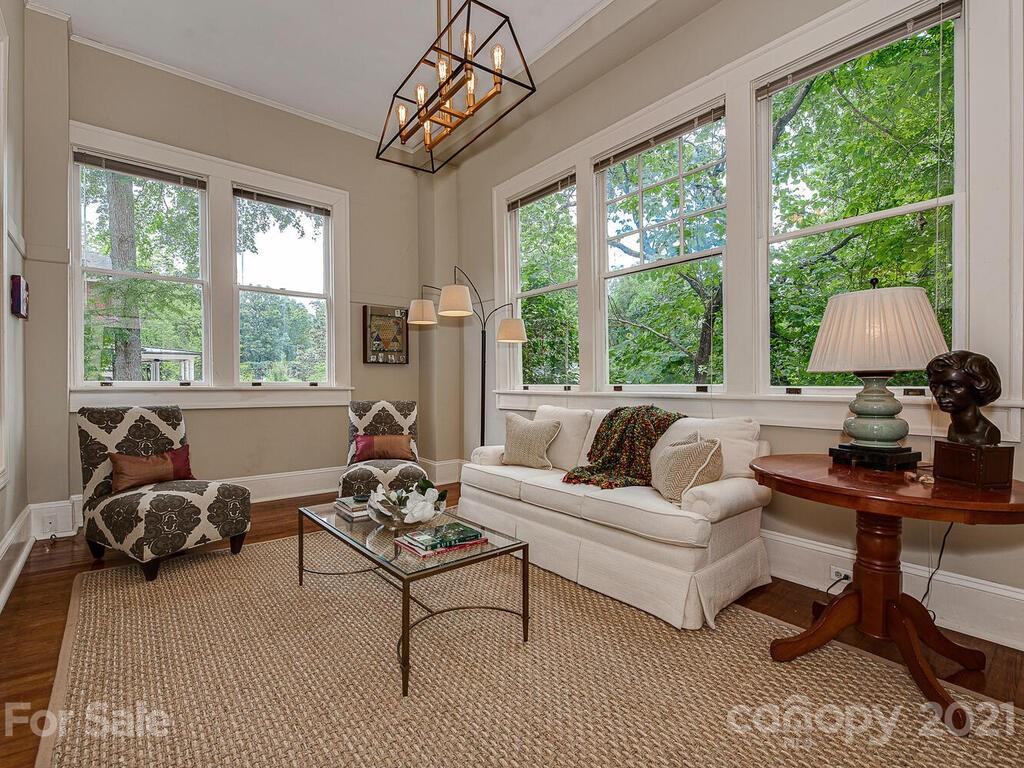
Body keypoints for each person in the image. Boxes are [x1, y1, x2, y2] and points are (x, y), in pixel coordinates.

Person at [926, 350, 1002, 446]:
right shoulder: (952, 430)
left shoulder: (988, 432)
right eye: (935, 386)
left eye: (953, 386)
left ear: (977, 387)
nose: (938, 394)